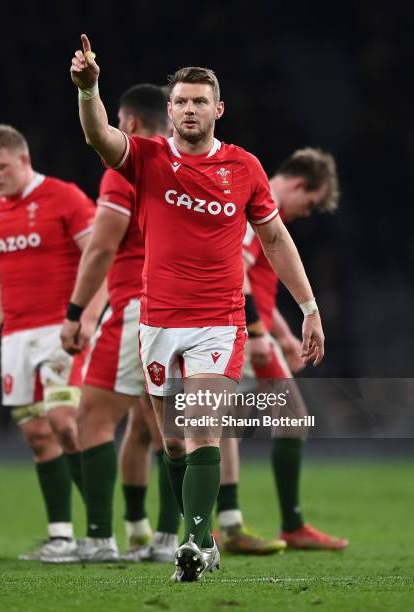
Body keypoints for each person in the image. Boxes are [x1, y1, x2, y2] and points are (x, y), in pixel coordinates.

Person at [68, 34, 325, 582]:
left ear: (218, 108)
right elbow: (98, 137)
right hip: (158, 320)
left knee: (204, 426)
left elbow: (276, 239)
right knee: (174, 442)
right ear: (169, 110)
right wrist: (90, 90)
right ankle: (200, 533)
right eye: (181, 101)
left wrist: (308, 306)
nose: (190, 109)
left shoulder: (245, 167)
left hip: (219, 320)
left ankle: (193, 544)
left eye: (199, 101)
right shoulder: (148, 159)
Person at [60, 84, 181, 563]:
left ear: (127, 123)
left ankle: (96, 539)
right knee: (160, 425)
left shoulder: (127, 165)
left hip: (137, 304)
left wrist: (76, 311)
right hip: (183, 309)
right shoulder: (185, 165)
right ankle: (169, 538)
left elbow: (104, 245)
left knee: (92, 416)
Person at [0, 124, 103, 562]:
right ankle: (62, 537)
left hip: (61, 332)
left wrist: (86, 317)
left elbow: (98, 259)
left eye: (1, 166)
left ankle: (100, 531)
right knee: (36, 435)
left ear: (24, 160)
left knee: (65, 422)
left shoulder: (65, 198)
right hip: (16, 340)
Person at [216, 148, 348, 552]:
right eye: (308, 204)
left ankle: (228, 523)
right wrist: (258, 333)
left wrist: (283, 334)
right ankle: (288, 523)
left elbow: (255, 283)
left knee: (225, 426)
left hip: (245, 326)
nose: (305, 213)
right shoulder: (257, 205)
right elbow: (235, 270)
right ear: (298, 184)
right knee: (291, 415)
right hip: (240, 328)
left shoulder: (261, 207)